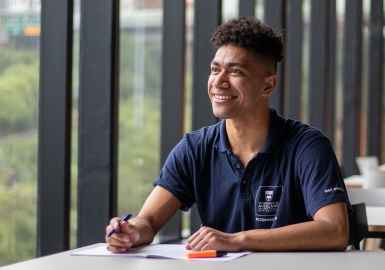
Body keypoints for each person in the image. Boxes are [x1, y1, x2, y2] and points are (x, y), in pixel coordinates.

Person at [105, 17, 349, 253]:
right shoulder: (194, 148)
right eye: (215, 69)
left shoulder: (307, 147)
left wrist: (238, 240)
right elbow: (147, 221)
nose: (218, 81)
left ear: (268, 85)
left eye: (236, 72)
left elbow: (335, 230)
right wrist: (131, 232)